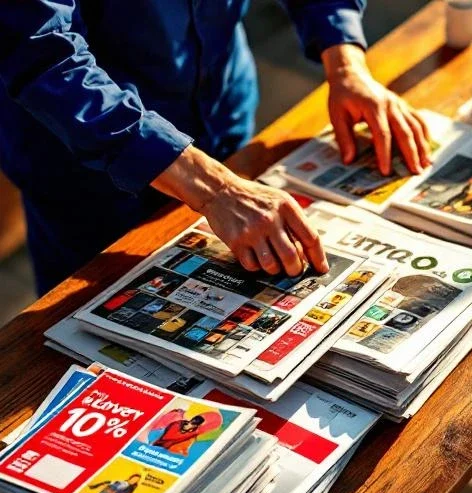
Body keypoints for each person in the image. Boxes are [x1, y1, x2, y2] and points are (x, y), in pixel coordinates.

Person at [0, 2, 431, 294]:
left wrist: (346, 64)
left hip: (223, 113)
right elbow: (44, 55)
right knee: (82, 335)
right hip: (86, 168)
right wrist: (218, 189)